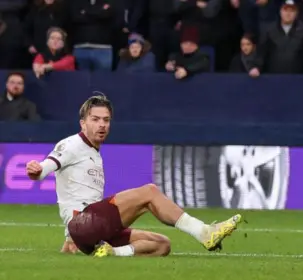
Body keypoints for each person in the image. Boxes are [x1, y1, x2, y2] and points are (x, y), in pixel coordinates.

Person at [25, 94, 242, 257]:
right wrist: (38, 170)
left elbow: (74, 194)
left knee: (162, 245)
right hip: (85, 223)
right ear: (83, 123)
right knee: (149, 192)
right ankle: (204, 232)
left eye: (106, 120)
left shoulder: (93, 152)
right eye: (95, 119)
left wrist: (71, 241)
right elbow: (47, 166)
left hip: (89, 231)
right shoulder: (72, 144)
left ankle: (112, 253)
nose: (102, 124)